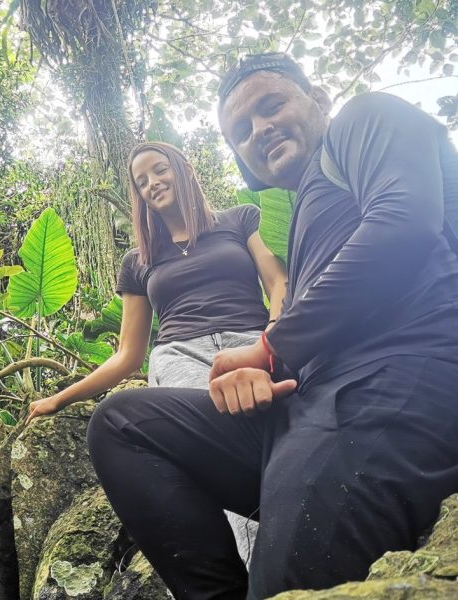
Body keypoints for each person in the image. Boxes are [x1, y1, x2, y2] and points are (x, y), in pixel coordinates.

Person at [86, 52, 458, 600]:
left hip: (387, 386)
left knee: (285, 582)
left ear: (320, 101)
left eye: (272, 106)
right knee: (122, 423)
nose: (259, 130)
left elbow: (403, 224)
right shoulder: (310, 210)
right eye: (241, 130)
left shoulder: (363, 120)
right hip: (308, 402)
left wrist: (270, 345)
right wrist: (271, 369)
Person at [27, 141, 286, 424]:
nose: (153, 183)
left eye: (160, 170)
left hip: (253, 339)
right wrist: (60, 398)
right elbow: (128, 356)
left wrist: (270, 342)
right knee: (211, 419)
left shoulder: (241, 219)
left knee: (282, 408)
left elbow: (278, 283)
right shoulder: (137, 261)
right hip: (180, 354)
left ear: (185, 171)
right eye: (142, 182)